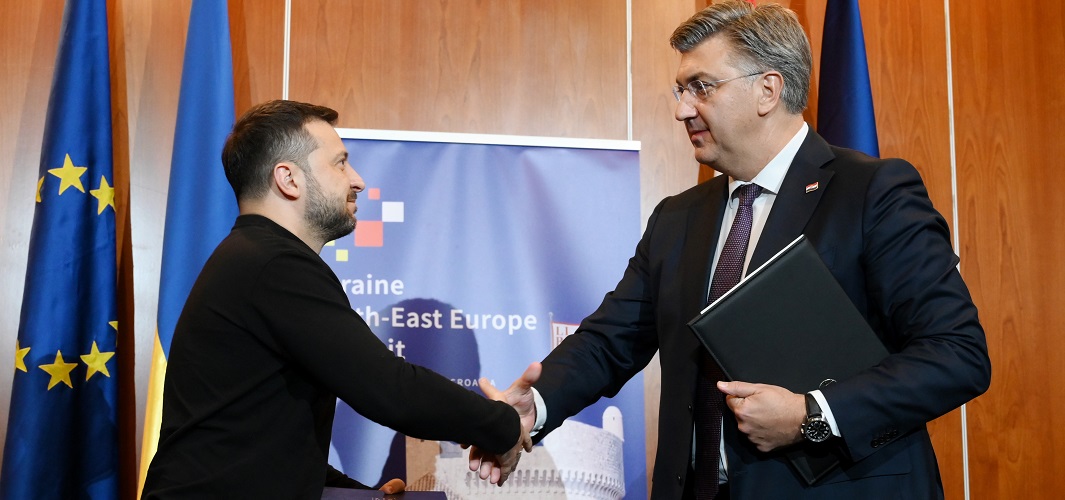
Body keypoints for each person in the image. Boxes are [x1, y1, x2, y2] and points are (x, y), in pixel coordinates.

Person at [471, 2, 991, 498]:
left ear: (767, 90)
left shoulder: (871, 192)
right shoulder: (677, 218)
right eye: (680, 90)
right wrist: (534, 408)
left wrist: (810, 414)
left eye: (701, 87)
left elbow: (956, 354)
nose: (681, 110)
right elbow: (610, 341)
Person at [142, 100, 530, 499]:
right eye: (340, 163)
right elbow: (387, 387)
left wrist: (366, 496)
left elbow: (262, 446)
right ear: (288, 179)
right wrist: (502, 424)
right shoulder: (274, 264)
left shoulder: (255, 259)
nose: (357, 180)